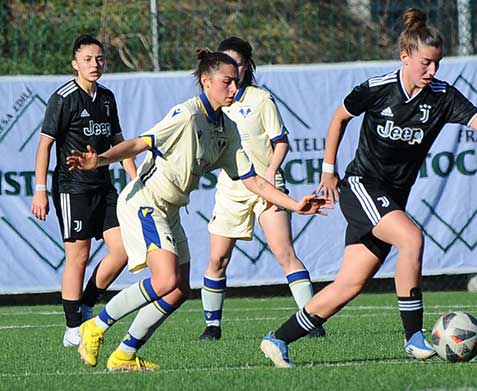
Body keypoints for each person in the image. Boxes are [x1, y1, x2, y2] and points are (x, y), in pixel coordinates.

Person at [259, 8, 477, 368]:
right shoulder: (378, 89)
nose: (432, 71)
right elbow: (339, 117)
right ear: (405, 57)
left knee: (349, 285)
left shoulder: (443, 96)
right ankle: (413, 337)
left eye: (437, 64)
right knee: (411, 239)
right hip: (361, 185)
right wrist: (329, 171)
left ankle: (277, 339)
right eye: (425, 63)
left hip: (389, 196)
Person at [67, 49, 330, 372]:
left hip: (171, 209)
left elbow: (253, 182)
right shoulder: (187, 115)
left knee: (178, 291)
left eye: (236, 82)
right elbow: (140, 143)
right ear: (206, 81)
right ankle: (95, 327)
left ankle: (124, 354)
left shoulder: (227, 129)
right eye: (226, 82)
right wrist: (100, 159)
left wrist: (295, 204)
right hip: (145, 202)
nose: (233, 89)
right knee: (164, 280)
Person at [198, 37, 324, 341]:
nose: (233, 70)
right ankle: (212, 327)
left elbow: (281, 140)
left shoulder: (260, 99)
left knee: (284, 253)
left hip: (267, 186)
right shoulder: (213, 105)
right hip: (232, 188)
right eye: (227, 64)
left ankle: (311, 322)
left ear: (246, 66)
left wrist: (270, 171)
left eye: (238, 63)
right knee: (217, 259)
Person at [31, 34, 137, 348]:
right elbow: (44, 145)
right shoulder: (63, 98)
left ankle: (87, 303)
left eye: (100, 58)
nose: (95, 64)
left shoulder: (106, 97)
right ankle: (73, 328)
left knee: (123, 250)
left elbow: (119, 143)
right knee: (79, 256)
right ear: (75, 63)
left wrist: (134, 179)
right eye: (88, 59)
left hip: (103, 186)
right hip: (72, 188)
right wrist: (39, 189)